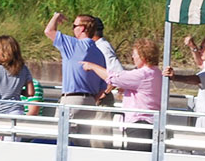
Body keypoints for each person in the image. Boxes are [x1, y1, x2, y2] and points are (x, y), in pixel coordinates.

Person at [82, 37, 162, 151]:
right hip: (151, 123)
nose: (133, 57)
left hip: (139, 125)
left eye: (135, 54)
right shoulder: (156, 73)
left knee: (137, 160)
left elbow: (113, 78)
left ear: (143, 57)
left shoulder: (142, 74)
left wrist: (92, 66)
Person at [44, 12, 106, 146]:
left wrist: (55, 16)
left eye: (74, 26)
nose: (73, 29)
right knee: (82, 144)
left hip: (72, 99)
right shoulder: (99, 53)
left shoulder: (73, 45)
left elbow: (49, 31)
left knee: (60, 140)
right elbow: (103, 86)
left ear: (82, 28)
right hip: (89, 102)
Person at [89, 16, 124, 147]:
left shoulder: (102, 47)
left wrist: (103, 94)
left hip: (102, 102)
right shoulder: (97, 46)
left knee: (99, 141)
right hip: (96, 100)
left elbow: (118, 74)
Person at [0, 35, 34, 115]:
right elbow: (30, 92)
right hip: (16, 110)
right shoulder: (24, 69)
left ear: (3, 49)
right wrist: (16, 91)